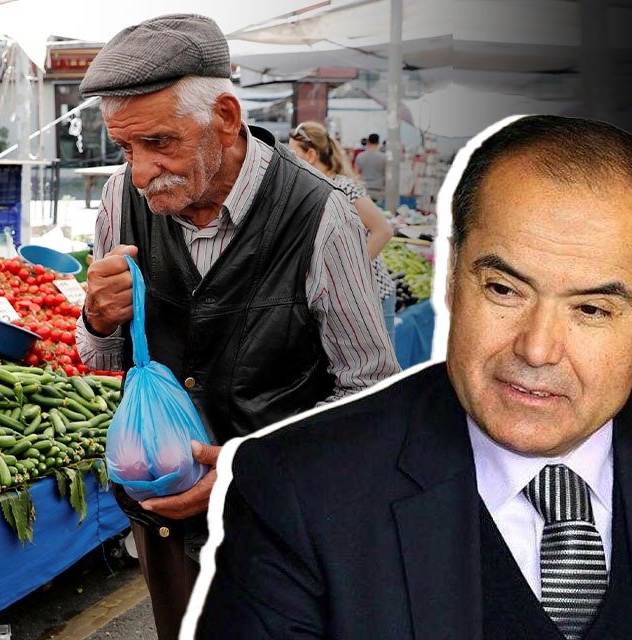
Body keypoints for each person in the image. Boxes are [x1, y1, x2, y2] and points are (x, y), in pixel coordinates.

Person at [197, 114, 632, 640]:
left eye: (593, 310)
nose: (536, 350)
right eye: (504, 290)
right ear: (452, 276)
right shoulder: (296, 491)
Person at [75, 14, 400, 640]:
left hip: (279, 526)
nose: (141, 172)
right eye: (125, 148)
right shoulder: (122, 200)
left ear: (225, 117)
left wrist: (248, 466)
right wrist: (97, 315)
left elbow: (370, 395)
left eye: (160, 143)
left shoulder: (320, 218)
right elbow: (101, 358)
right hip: (164, 518)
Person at [290, 121, 398, 339]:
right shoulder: (311, 188)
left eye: (293, 153)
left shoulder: (342, 187)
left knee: (382, 369)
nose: (289, 160)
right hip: (346, 300)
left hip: (373, 294)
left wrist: (349, 272)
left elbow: (383, 230)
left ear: (310, 155)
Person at [356, 132, 386, 203]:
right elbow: (387, 174)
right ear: (378, 142)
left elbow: (356, 173)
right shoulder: (384, 157)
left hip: (363, 190)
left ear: (368, 142)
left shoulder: (360, 156)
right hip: (378, 190)